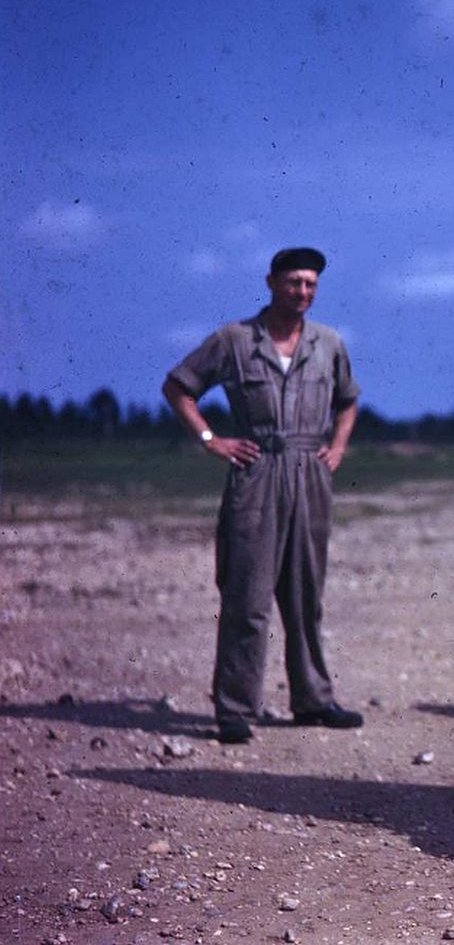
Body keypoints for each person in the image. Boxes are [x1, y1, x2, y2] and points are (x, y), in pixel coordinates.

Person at [162, 247, 364, 745]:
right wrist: (212, 440)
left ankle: (313, 699)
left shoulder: (329, 343)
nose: (303, 293)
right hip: (256, 470)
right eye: (294, 282)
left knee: (305, 595)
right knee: (247, 596)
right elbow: (178, 387)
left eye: (311, 285)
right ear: (271, 282)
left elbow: (348, 401)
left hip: (309, 471)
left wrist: (337, 448)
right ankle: (234, 708)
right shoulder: (234, 341)